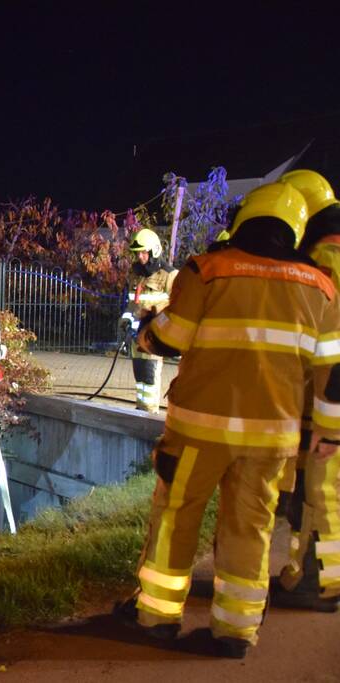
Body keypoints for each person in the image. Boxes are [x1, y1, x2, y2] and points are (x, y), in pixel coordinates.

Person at [116, 182, 340, 658]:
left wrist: (147, 338)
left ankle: (156, 616)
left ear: (245, 219)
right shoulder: (320, 287)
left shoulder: (208, 269)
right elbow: (331, 374)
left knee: (178, 517)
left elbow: (172, 337)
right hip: (271, 442)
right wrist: (328, 433)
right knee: (250, 528)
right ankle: (235, 632)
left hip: (198, 431)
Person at [274, 169, 340, 612]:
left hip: (331, 407)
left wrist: (328, 428)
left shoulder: (326, 259)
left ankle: (320, 583)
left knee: (323, 494)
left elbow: (332, 352)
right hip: (326, 401)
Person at [122, 228, 178, 413]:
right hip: (137, 334)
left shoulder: (169, 275)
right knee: (140, 373)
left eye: (144, 252)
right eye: (138, 253)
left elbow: (178, 306)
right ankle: (141, 408)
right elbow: (132, 303)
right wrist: (125, 320)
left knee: (150, 373)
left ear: (154, 251)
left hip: (154, 334)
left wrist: (157, 317)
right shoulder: (136, 274)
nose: (140, 257)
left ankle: (150, 412)